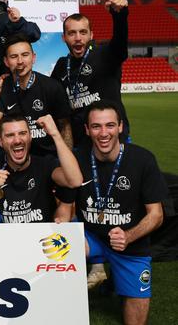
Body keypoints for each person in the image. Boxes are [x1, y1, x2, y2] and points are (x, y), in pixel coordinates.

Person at [56, 100, 166, 324]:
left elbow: (156, 214)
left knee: (136, 314)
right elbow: (65, 208)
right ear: (87, 130)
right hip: (91, 237)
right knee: (57, 250)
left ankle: (116, 280)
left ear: (121, 127)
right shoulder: (77, 159)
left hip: (130, 241)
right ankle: (60, 303)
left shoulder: (143, 160)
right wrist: (61, 223)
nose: (103, 133)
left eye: (110, 125)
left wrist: (129, 236)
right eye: (96, 126)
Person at [0, 114, 82, 224]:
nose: (17, 140)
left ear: (30, 136)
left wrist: (55, 134)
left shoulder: (45, 164)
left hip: (40, 239)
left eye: (22, 133)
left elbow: (75, 181)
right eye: (10, 135)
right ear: (0, 141)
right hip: (6, 241)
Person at [51, 0, 131, 148]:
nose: (78, 38)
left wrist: (120, 15)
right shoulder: (62, 65)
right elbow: (51, 95)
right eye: (72, 33)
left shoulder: (106, 55)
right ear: (64, 38)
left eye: (83, 32)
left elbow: (120, 43)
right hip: (80, 146)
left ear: (91, 35)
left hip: (113, 140)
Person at [0, 34, 72, 156]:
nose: (20, 61)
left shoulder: (52, 86)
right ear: (6, 61)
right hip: (15, 159)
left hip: (48, 158)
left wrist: (65, 158)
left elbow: (65, 128)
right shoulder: (2, 89)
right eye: (14, 57)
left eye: (25, 55)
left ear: (33, 58)